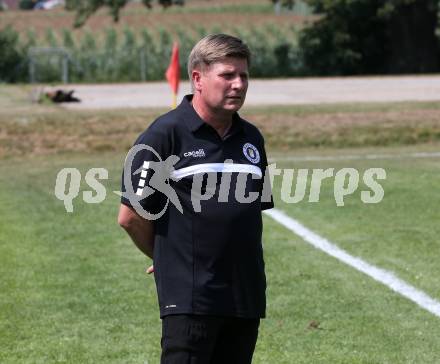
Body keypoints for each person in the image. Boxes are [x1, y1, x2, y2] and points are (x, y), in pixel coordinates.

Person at [118, 33, 274, 364]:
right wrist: (166, 256)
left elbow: (248, 217)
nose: (238, 85)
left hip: (244, 297)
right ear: (198, 78)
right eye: (228, 75)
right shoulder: (165, 135)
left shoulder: (252, 139)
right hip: (191, 298)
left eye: (243, 75)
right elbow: (130, 216)